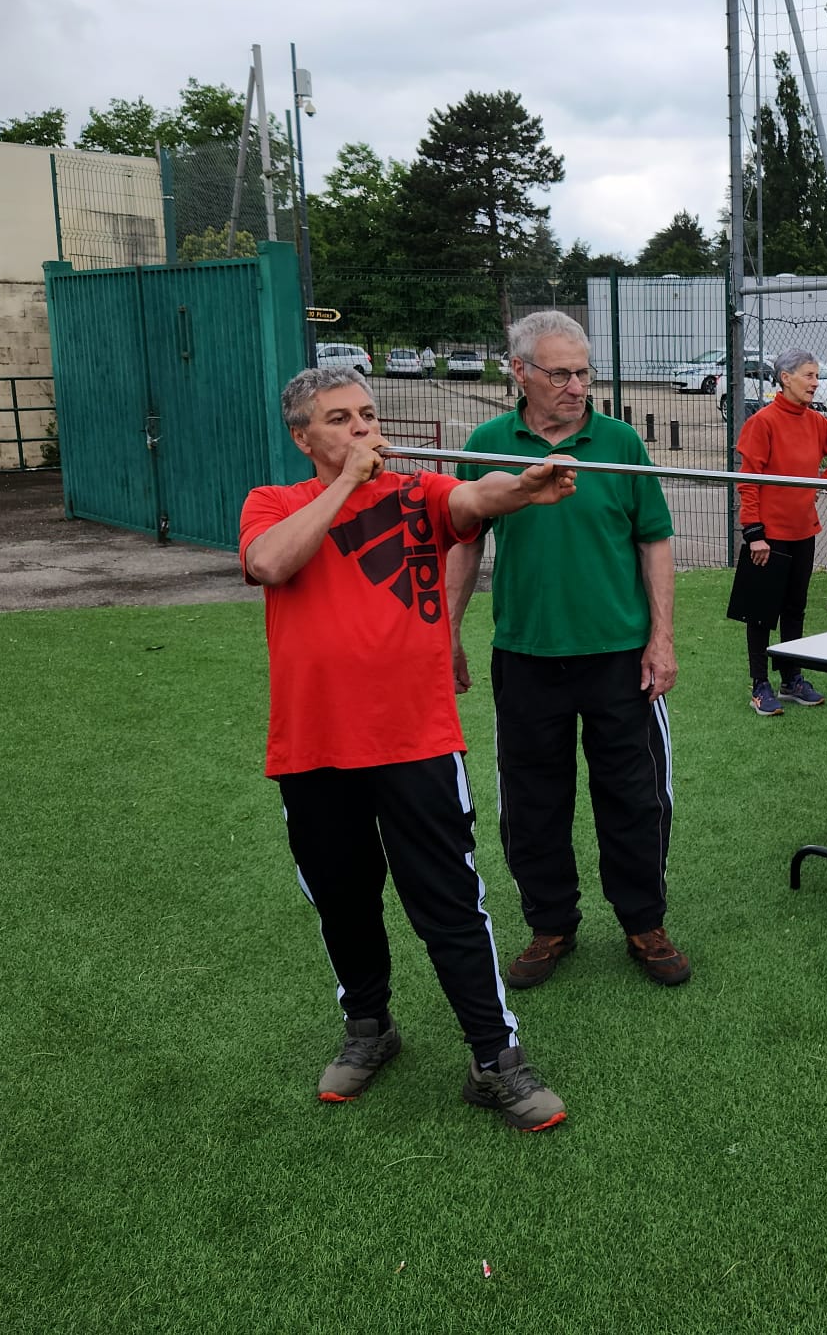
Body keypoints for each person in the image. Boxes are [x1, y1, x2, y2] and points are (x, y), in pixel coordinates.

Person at [240, 366, 578, 1132]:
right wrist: (345, 483)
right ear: (302, 437)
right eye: (340, 419)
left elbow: (474, 498)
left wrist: (523, 487)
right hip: (315, 749)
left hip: (415, 742)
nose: (363, 428)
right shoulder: (275, 503)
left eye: (368, 414)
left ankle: (495, 1061)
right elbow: (271, 563)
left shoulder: (417, 492)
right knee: (343, 901)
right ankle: (370, 1028)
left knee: (450, 904)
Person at [445, 312, 688, 991]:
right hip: (525, 655)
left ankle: (644, 923)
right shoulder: (489, 444)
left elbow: (654, 540)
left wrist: (661, 638)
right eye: (561, 374)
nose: (578, 386)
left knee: (635, 798)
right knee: (532, 800)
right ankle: (550, 924)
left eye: (584, 372)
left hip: (620, 657)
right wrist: (448, 634)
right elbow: (464, 542)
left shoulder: (619, 443)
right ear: (519, 371)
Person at [733, 347, 827, 716]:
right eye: (809, 375)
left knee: (795, 607)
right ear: (785, 378)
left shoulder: (816, 422)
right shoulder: (762, 422)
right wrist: (754, 533)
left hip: (803, 531)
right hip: (768, 536)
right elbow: (748, 481)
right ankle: (760, 685)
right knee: (761, 612)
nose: (815, 382)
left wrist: (824, 481)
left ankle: (791, 678)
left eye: (816, 376)